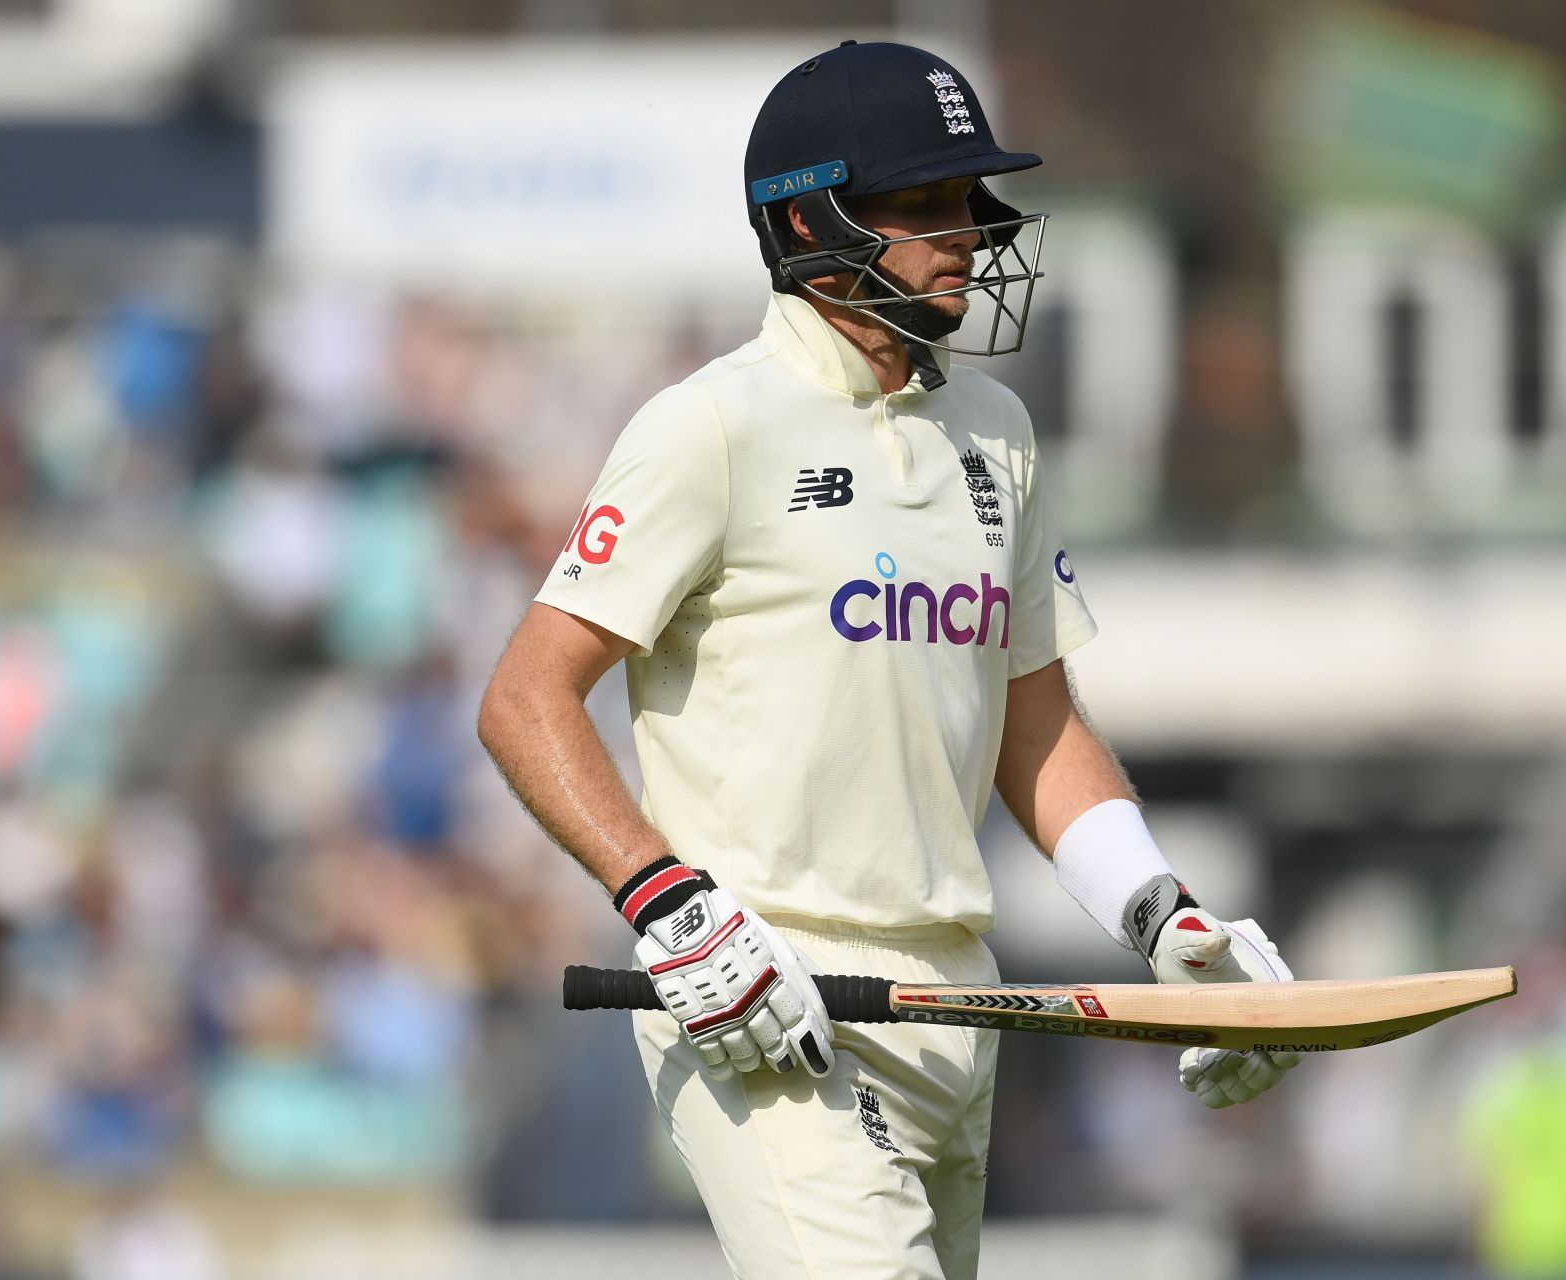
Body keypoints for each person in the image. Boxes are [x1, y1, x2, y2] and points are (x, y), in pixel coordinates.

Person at [477, 39, 1300, 1280]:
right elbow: (524, 696)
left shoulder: (997, 431)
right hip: (768, 997)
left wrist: (1160, 911)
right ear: (810, 218)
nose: (963, 233)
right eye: (922, 204)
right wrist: (670, 907)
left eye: (968, 200)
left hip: (955, 1005)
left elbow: (1036, 720)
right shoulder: (711, 426)